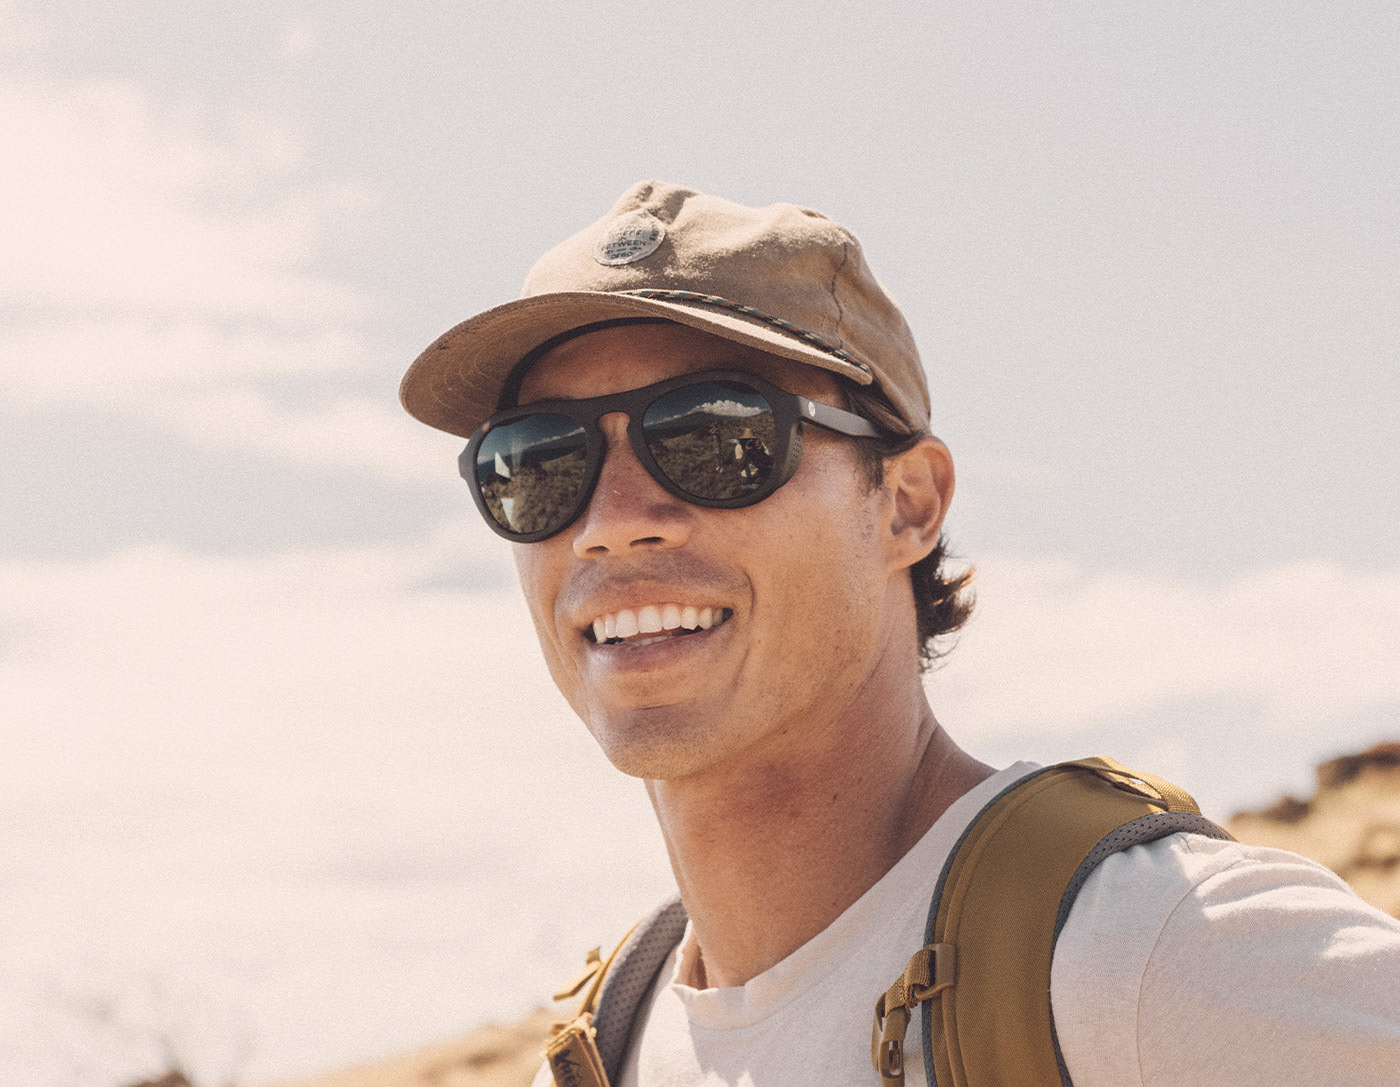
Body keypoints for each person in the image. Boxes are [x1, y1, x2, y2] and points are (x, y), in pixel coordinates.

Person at [400, 181, 1400, 1085]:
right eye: (536, 462)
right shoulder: (603, 1050)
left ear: (906, 503)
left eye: (711, 435)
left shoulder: (1150, 952)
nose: (613, 517)